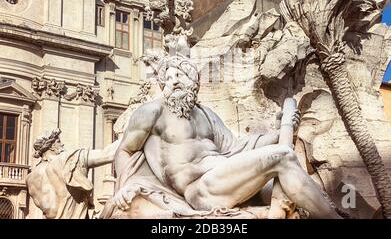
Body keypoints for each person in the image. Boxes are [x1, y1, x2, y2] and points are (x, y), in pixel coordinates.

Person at [107, 55, 340, 219]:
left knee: (286, 183)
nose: (173, 81)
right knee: (283, 156)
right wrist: (126, 187)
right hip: (200, 189)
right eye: (167, 79)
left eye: (179, 75)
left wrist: (280, 133)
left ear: (194, 81)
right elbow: (126, 150)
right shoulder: (152, 111)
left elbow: (236, 147)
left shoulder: (207, 114)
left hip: (223, 177)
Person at [26, 128, 120, 219]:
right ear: (51, 146)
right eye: (58, 141)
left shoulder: (30, 178)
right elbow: (108, 154)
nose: (62, 144)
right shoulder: (67, 160)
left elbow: (50, 211)